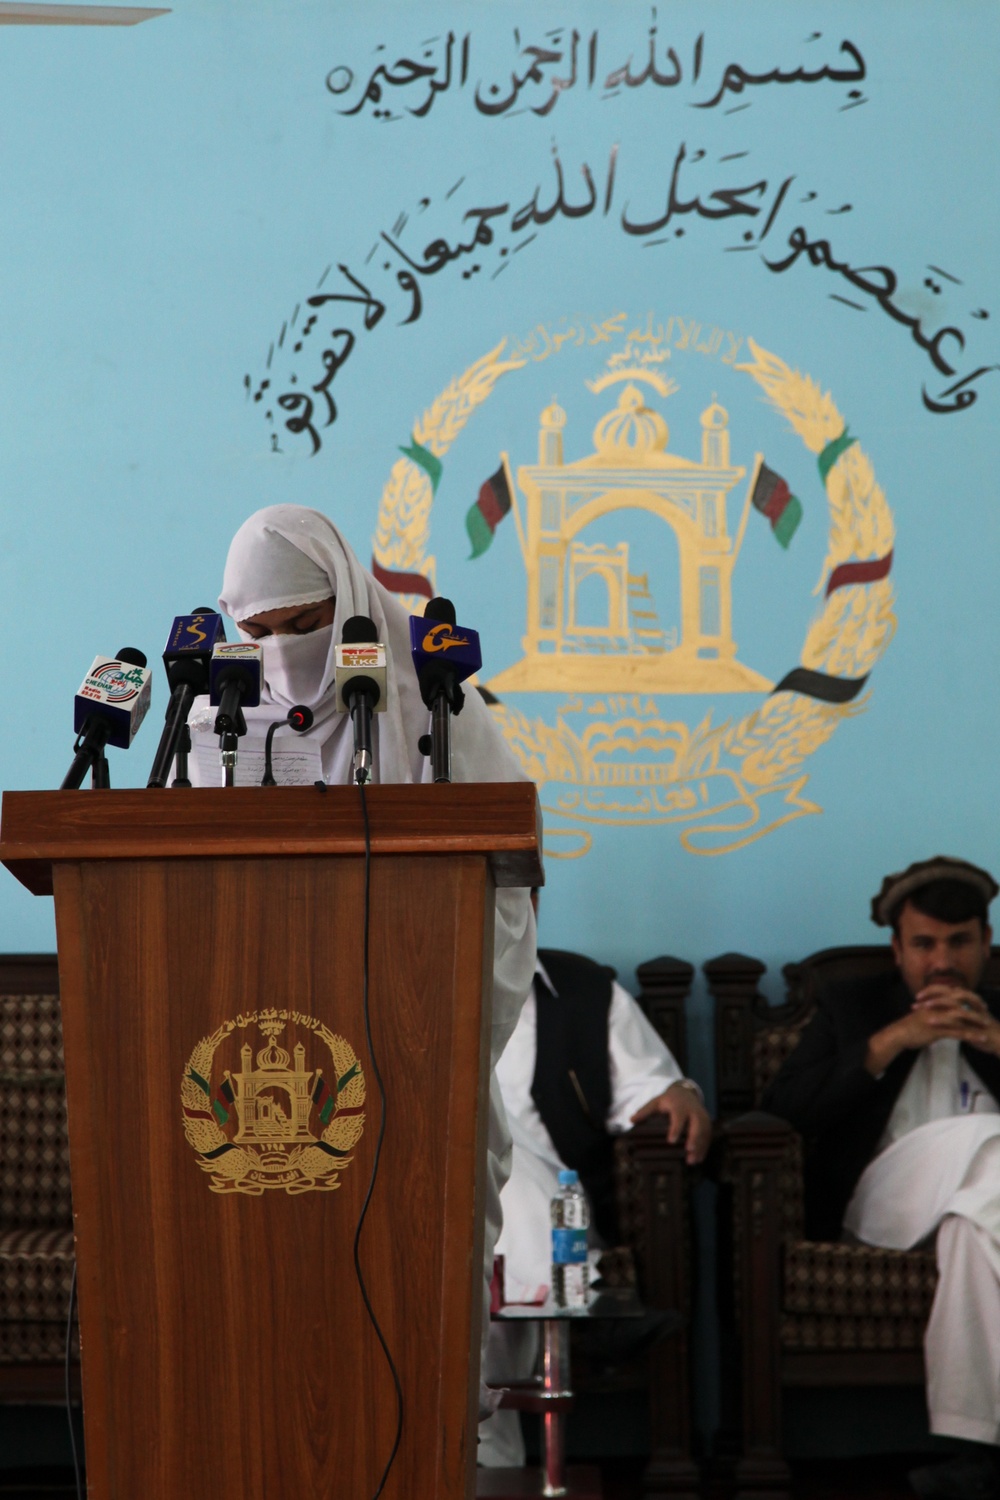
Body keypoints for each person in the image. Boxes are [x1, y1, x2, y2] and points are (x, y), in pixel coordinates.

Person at [189, 504, 537, 1411]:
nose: (280, 650)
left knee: (427, 1239)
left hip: (413, 1034)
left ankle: (423, 1426)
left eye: (301, 624)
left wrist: (453, 1032)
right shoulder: (210, 726)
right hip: (260, 1035)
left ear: (344, 600)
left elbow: (506, 882)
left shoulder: (439, 705)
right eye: (255, 631)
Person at [763, 856, 1000, 1500]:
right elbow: (785, 1108)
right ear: (896, 950)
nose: (942, 960)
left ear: (986, 943)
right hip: (879, 1205)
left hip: (979, 1209)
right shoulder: (852, 1006)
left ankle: (974, 1455)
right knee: (992, 1141)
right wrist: (889, 1042)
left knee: (972, 1227)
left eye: (959, 942)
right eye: (924, 943)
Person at [478, 931, 711, 1468]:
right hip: (425, 1201)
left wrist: (679, 1094)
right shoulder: (394, 975)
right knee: (479, 1169)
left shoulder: (580, 988)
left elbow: (648, 1088)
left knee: (492, 1205)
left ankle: (492, 1470)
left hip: (561, 1211)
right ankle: (588, 1302)